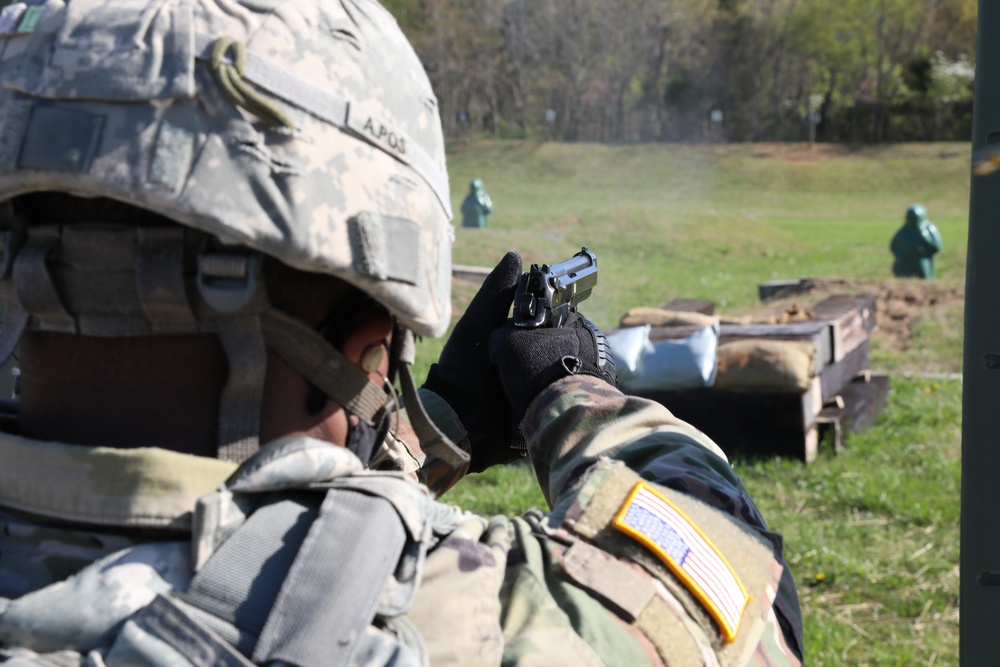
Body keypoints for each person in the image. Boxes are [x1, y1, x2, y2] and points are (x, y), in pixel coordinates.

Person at [0, 0, 803, 665]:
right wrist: (573, 393)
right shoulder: (462, 622)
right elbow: (737, 603)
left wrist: (440, 424)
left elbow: (250, 519)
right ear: (369, 343)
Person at [891, 204, 943, 278]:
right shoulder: (904, 230)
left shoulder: (929, 228)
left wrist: (924, 236)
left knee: (923, 269)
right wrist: (902, 255)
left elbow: (937, 247)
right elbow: (894, 246)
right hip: (906, 261)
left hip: (922, 260)